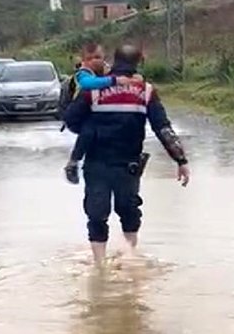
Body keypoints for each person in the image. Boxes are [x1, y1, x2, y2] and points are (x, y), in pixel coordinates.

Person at [62, 43, 190, 265]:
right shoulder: (146, 91)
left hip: (96, 163)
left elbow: (71, 120)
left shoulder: (94, 88)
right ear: (138, 62)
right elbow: (163, 128)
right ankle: (130, 259)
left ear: (113, 60)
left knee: (96, 215)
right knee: (129, 212)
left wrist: (91, 128)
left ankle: (100, 267)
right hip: (128, 165)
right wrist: (181, 160)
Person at [61, 44, 142, 184]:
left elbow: (124, 77)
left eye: (98, 57)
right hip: (76, 115)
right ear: (83, 60)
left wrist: (134, 78)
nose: (95, 61)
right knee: (90, 128)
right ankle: (73, 162)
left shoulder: (106, 70)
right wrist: (115, 81)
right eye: (90, 58)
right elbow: (88, 84)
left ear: (104, 57)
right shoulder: (82, 73)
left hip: (93, 111)